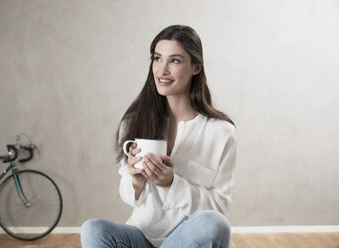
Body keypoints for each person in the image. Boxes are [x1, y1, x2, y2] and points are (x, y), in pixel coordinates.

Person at [81, 25, 237, 248]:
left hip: (186, 241)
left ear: (196, 68)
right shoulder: (134, 122)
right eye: (157, 58)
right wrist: (135, 180)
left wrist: (172, 184)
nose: (162, 70)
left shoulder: (221, 132)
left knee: (215, 224)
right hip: (140, 236)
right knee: (92, 228)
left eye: (174, 60)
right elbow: (128, 195)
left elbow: (219, 208)